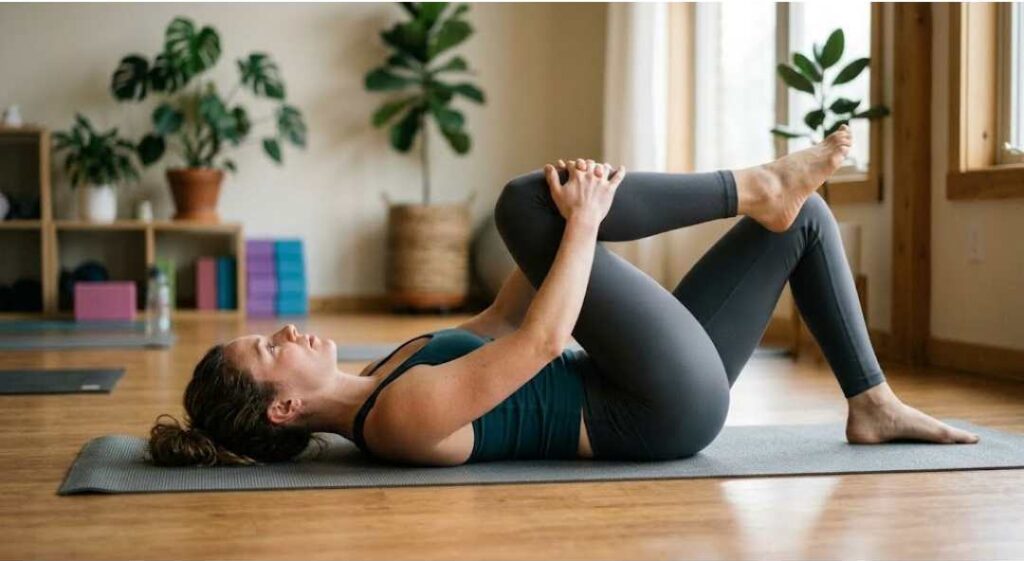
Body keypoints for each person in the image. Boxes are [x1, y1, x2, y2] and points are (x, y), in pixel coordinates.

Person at [149, 125, 979, 468]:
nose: (286, 330)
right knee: (524, 204)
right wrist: (578, 225)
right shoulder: (395, 422)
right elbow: (540, 344)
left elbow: (502, 317)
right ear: (283, 409)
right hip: (656, 408)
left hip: (643, 376)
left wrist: (558, 234)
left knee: (798, 222)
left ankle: (870, 400)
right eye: (268, 347)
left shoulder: (386, 369)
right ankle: (752, 181)